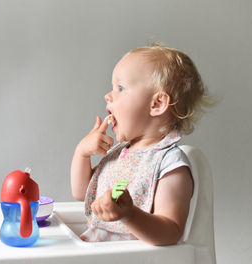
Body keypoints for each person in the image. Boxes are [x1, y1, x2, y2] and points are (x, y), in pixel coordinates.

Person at [70, 44, 213, 245]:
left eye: (120, 88)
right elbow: (81, 192)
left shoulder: (169, 164)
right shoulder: (120, 154)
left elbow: (171, 231)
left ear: (156, 104)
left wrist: (130, 215)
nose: (108, 95)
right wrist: (82, 153)